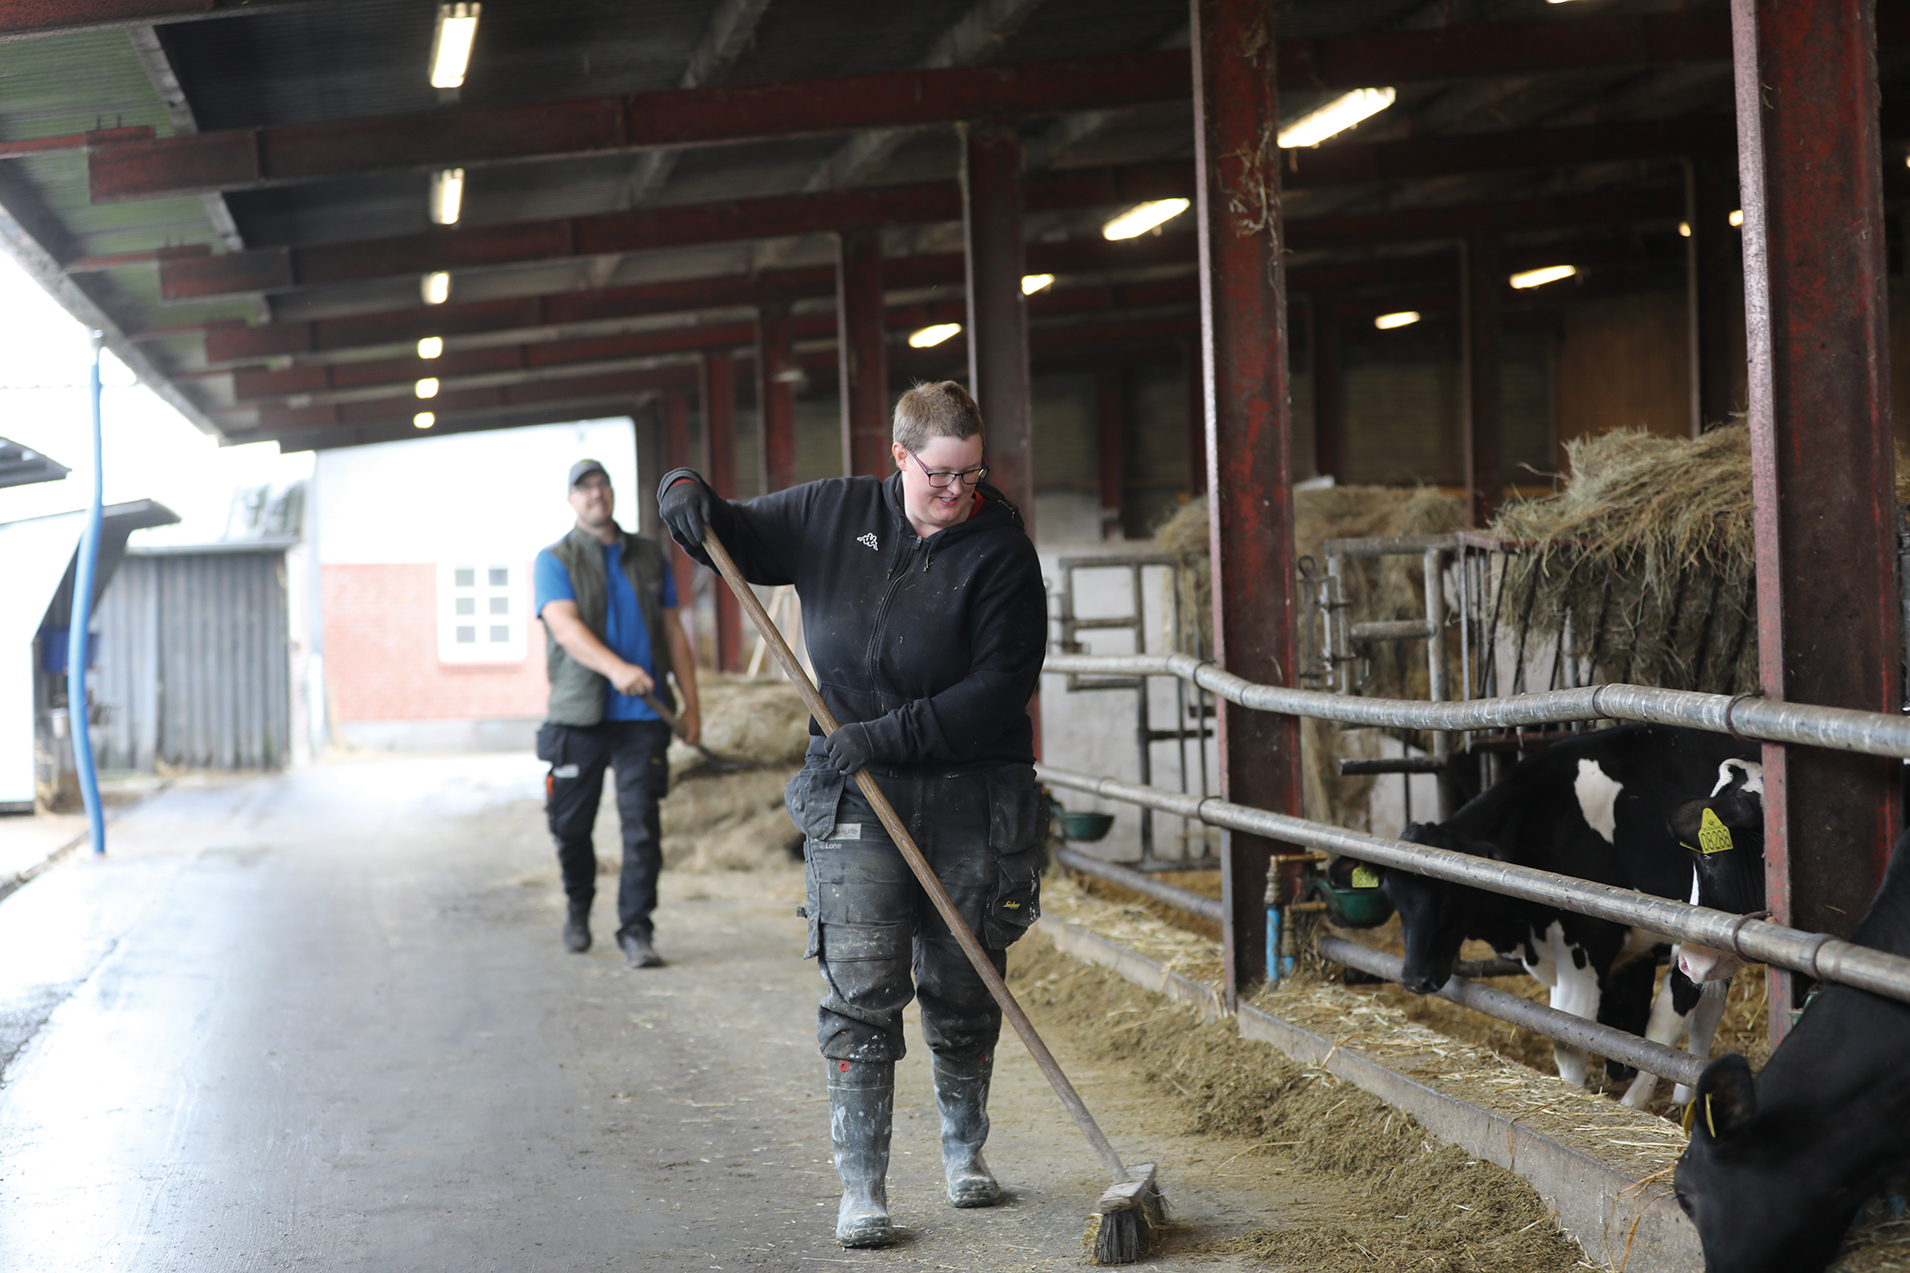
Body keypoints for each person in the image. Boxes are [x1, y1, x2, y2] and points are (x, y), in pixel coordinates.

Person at [655, 381, 1047, 1248]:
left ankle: (963, 1150)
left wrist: (886, 733)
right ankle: (863, 1187)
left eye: (973, 473)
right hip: (853, 786)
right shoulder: (834, 513)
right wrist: (683, 490)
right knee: (863, 984)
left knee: (962, 976)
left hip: (968, 783)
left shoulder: (1000, 553)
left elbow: (998, 690)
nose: (959, 492)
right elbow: (736, 530)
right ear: (900, 455)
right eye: (942, 474)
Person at [534, 459, 700, 969]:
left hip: (643, 721)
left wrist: (693, 704)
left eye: (600, 484)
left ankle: (636, 929)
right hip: (577, 718)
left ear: (611, 492)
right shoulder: (554, 559)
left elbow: (673, 632)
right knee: (570, 826)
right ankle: (579, 905)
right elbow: (564, 628)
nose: (594, 494)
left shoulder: (650, 555)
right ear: (571, 500)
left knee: (642, 828)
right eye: (582, 488)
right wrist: (617, 668)